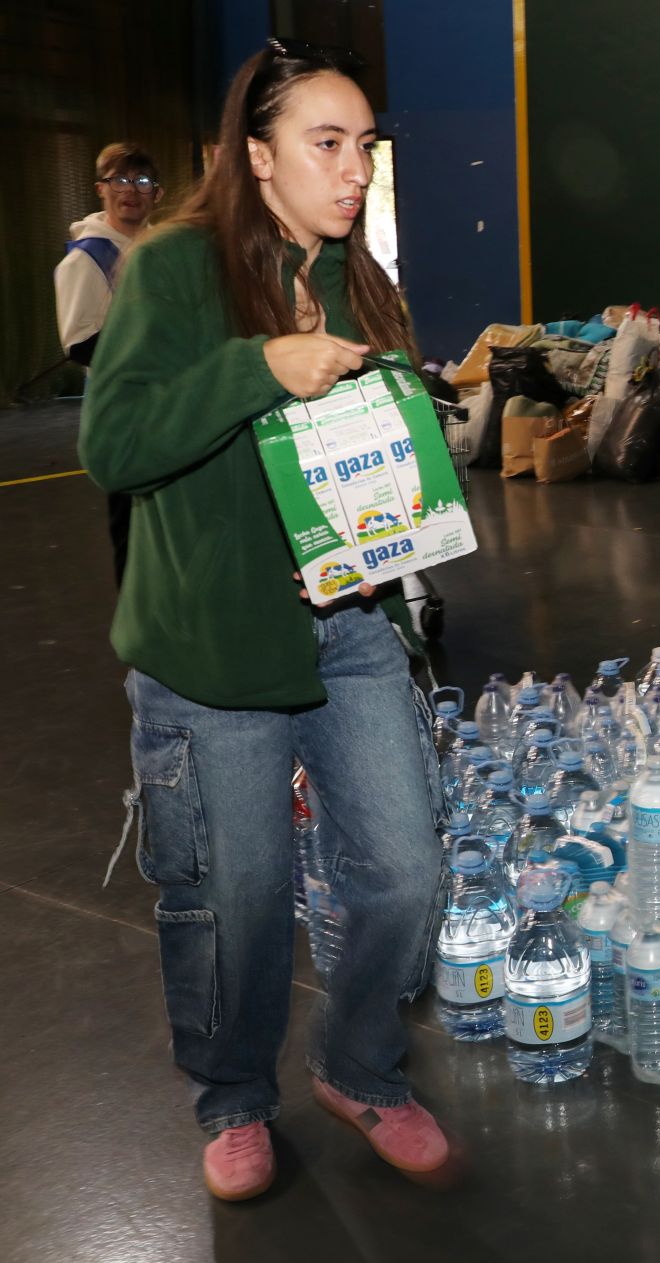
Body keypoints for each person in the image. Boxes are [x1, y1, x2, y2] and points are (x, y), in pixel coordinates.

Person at [78, 42, 448, 1202]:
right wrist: (258, 368)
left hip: (347, 628)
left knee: (403, 874)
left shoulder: (355, 272)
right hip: (209, 653)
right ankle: (234, 1098)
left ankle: (358, 1066)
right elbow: (115, 445)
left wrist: (399, 529)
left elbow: (375, 452)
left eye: (364, 146)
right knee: (233, 907)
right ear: (256, 154)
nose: (353, 172)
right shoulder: (177, 268)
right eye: (325, 144)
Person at [56, 142, 165, 586]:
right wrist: (155, 356)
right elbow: (80, 344)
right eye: (120, 180)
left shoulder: (159, 246)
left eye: (141, 181)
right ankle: (140, 647)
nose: (130, 191)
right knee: (133, 532)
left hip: (165, 406)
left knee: (165, 530)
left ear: (157, 192)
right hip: (124, 415)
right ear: (101, 189)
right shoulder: (88, 257)